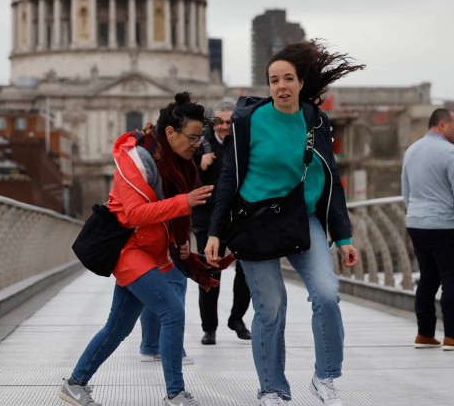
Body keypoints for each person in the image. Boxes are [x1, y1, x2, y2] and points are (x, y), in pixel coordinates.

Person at [205, 40, 361, 406]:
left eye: (288, 78)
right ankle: (272, 388)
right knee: (271, 307)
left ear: (301, 82)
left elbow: (330, 176)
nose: (281, 86)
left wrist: (343, 236)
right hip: (254, 222)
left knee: (327, 293)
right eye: (274, 80)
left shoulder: (315, 120)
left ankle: (325, 377)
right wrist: (214, 232)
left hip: (301, 218)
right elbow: (228, 177)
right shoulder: (247, 121)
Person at [60, 93, 219, 406]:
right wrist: (183, 202)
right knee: (172, 311)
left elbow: (173, 214)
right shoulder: (137, 161)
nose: (196, 143)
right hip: (128, 248)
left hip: (151, 249)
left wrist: (180, 242)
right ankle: (175, 393)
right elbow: (132, 214)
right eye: (191, 136)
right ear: (170, 133)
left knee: (118, 327)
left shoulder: (179, 164)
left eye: (200, 137)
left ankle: (75, 383)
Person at [400, 109, 454, 351]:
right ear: (443, 125)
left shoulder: (411, 151)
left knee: (428, 278)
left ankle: (425, 334)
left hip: (417, 223)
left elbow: (406, 191)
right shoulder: (452, 153)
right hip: (446, 224)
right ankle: (453, 335)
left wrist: (416, 214)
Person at [192, 101, 251, 345]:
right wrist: (199, 164)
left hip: (239, 218)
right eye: (220, 122)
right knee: (210, 272)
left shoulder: (244, 141)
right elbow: (182, 179)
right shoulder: (197, 143)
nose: (225, 126)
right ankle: (209, 328)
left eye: (229, 122)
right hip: (207, 220)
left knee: (247, 270)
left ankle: (236, 319)